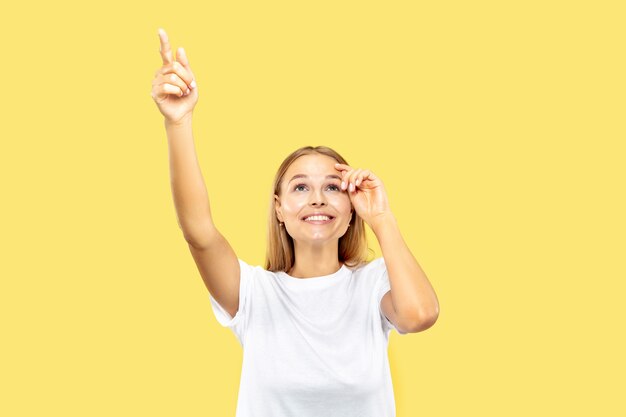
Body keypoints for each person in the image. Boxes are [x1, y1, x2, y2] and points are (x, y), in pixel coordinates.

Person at [151, 27, 440, 417]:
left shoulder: (373, 286)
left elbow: (420, 315)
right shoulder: (253, 293)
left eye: (334, 187)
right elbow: (198, 233)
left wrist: (382, 218)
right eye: (301, 187)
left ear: (350, 210)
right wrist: (178, 123)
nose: (318, 198)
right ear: (279, 209)